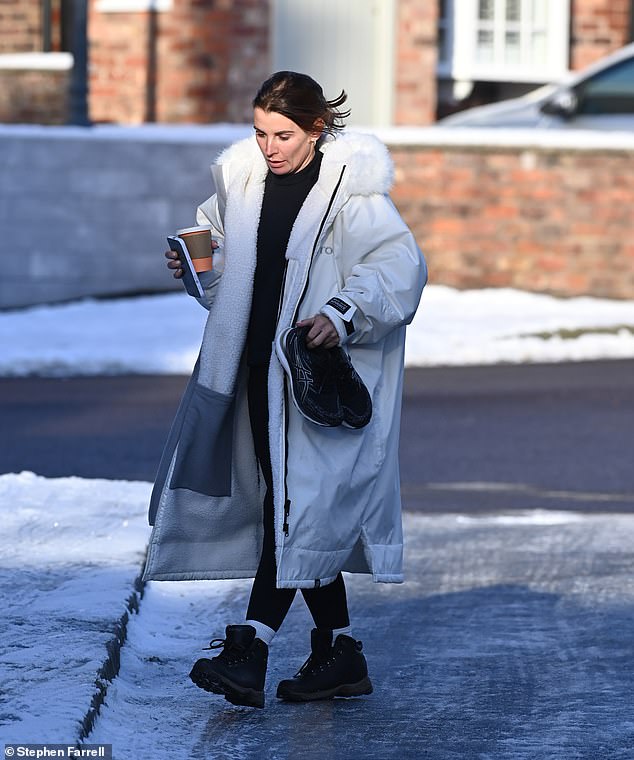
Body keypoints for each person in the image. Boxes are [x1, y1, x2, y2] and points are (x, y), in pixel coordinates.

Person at [142, 71, 427, 709]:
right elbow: (221, 258)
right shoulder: (241, 184)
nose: (270, 146)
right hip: (251, 370)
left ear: (317, 129)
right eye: (260, 132)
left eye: (284, 133)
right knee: (295, 507)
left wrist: (344, 310)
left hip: (313, 380)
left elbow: (400, 268)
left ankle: (250, 649)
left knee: (295, 509)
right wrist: (200, 259)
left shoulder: (353, 193)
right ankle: (340, 654)